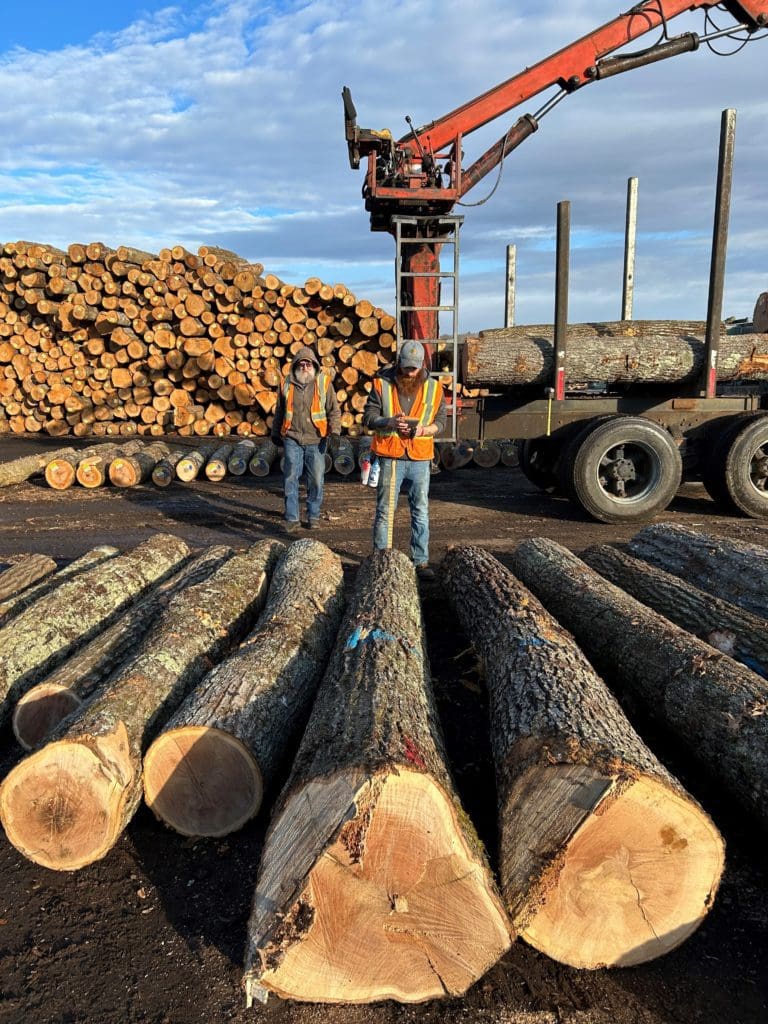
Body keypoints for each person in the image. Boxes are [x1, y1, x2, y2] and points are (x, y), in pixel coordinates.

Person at [363, 340, 446, 580]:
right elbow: (369, 417)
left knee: (420, 510)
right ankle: (382, 559)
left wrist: (423, 430)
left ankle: (420, 562)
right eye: (406, 367)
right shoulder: (382, 384)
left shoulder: (435, 388)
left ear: (422, 365)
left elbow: (441, 422)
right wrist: (388, 421)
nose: (410, 372)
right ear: (399, 362)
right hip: (392, 456)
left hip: (420, 457)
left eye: (414, 368)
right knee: (385, 511)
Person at [271, 346, 341, 533]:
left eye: (308, 363)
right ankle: (292, 518)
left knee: (316, 479)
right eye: (301, 364)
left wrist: (335, 432)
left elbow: (334, 410)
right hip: (292, 438)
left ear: (314, 365)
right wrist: (275, 432)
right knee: (290, 477)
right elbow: (279, 410)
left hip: (317, 439)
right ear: (295, 366)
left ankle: (313, 516)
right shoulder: (286, 383)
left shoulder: (324, 383)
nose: (304, 367)